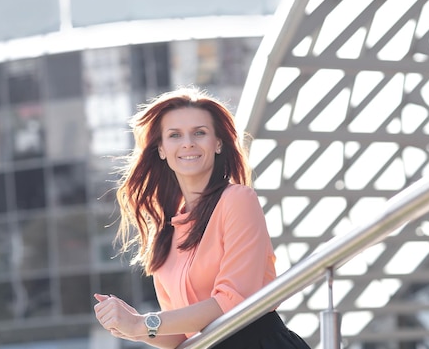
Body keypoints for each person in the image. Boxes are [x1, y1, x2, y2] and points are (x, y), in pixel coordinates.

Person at [93, 87, 310, 349]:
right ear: (161, 149)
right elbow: (181, 336)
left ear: (218, 143)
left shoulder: (238, 200)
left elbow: (233, 300)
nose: (188, 143)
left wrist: (144, 324)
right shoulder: (166, 230)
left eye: (199, 133)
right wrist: (132, 326)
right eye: (175, 135)